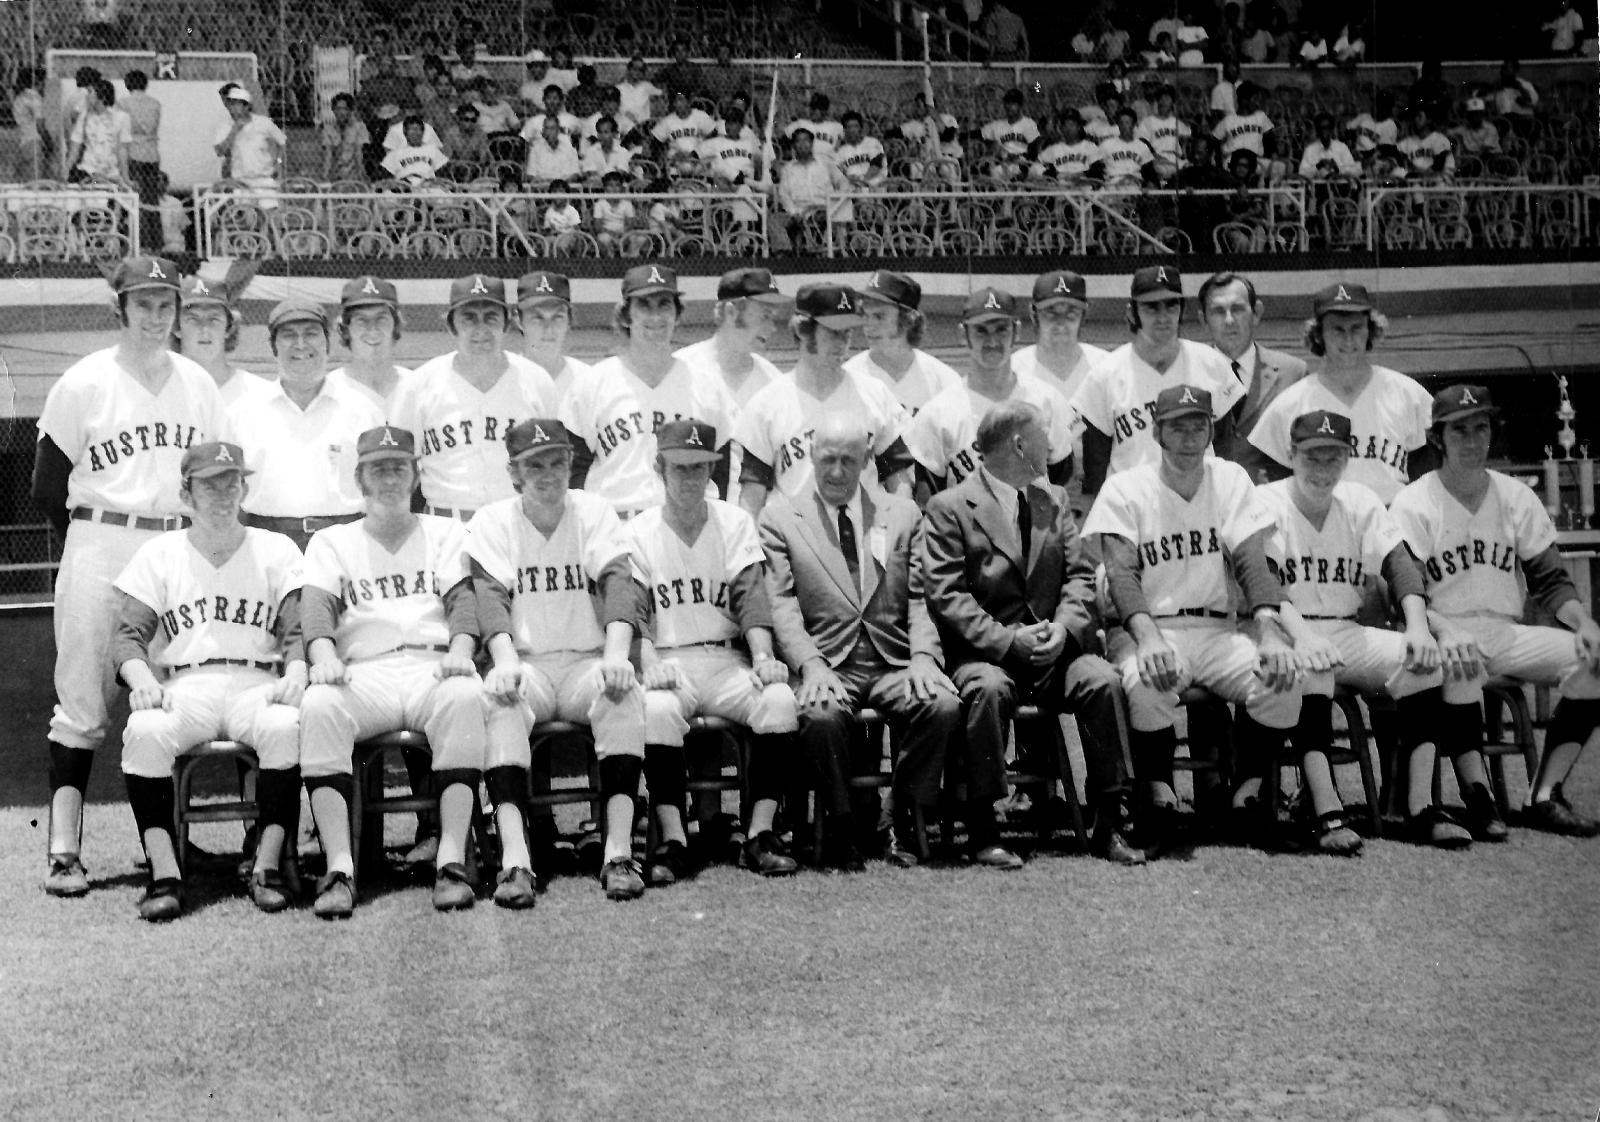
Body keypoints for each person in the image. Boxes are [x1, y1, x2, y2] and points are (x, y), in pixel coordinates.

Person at [32, 256, 225, 897]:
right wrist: (89, 547)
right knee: (82, 699)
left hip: (174, 547)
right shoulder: (83, 381)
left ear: (177, 312)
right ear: (120, 310)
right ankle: (64, 851)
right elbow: (44, 486)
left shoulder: (198, 384)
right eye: (141, 303)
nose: (153, 314)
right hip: (99, 536)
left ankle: (165, 844)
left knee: (172, 692)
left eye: (164, 304)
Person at [1083, 384, 1302, 855]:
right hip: (1151, 627)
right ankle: (1158, 799)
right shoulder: (1127, 487)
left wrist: (1268, 631)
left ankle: (1247, 794)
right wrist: (1146, 638)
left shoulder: (1230, 479)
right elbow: (1121, 574)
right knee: (1147, 681)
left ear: (1211, 431)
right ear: (1157, 432)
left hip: (1218, 629)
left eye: (1197, 425)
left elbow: (1251, 560)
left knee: (1283, 680)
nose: (1188, 436)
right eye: (1177, 426)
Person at [923, 400, 1143, 866]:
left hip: (1054, 650)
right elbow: (947, 597)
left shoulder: (1055, 499)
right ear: (1020, 444)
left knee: (1102, 681)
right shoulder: (949, 508)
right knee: (988, 689)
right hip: (988, 654)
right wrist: (1007, 640)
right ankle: (984, 828)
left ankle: (1109, 819)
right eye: (1046, 435)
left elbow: (1080, 578)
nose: (1054, 445)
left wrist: (1064, 629)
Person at [297, 425, 493, 916]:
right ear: (360, 478)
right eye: (377, 469)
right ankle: (340, 868)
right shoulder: (332, 541)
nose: (389, 478)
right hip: (367, 671)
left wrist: (462, 651)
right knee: (319, 704)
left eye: (399, 467)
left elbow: (463, 606)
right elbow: (317, 611)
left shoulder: (445, 532)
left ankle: (451, 862)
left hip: (431, 664)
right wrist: (323, 658)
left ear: (415, 475)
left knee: (466, 697)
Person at [1391, 385, 1600, 838]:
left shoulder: (1515, 496)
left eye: (1481, 428)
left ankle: (1546, 794)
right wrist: (1444, 630)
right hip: (1444, 629)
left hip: (1506, 631)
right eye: (1459, 430)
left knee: (1593, 663)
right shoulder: (1415, 501)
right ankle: (1478, 797)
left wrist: (1584, 624)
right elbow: (1405, 588)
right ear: (1438, 438)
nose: (1472, 440)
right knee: (1462, 661)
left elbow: (1549, 579)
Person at [111, 441, 305, 920]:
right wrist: (141, 679)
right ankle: (165, 874)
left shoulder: (276, 549)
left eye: (231, 482)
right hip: (186, 684)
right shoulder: (159, 553)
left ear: (245, 487)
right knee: (145, 732)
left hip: (255, 681)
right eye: (209, 484)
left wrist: (298, 668)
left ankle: (266, 865)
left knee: (285, 728)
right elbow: (126, 637)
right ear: (186, 492)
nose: (222, 493)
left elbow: (298, 628)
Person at [760, 413, 960, 868]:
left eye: (848, 460)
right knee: (820, 715)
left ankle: (898, 817)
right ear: (810, 455)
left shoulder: (903, 514)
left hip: (894, 663)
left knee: (943, 707)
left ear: (868, 460)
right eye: (827, 459)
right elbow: (782, 605)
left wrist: (926, 659)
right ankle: (842, 824)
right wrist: (810, 666)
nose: (836, 471)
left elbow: (920, 599)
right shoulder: (779, 519)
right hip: (829, 665)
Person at [469, 419, 651, 900]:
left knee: (623, 694)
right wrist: (503, 660)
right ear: (514, 472)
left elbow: (618, 583)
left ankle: (618, 852)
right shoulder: (493, 521)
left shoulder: (594, 511)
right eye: (534, 465)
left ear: (572, 463)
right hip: (527, 663)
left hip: (584, 662)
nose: (548, 473)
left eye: (557, 461)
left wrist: (617, 655)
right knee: (499, 701)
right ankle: (515, 861)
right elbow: (490, 599)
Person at [1257, 410, 1445, 852]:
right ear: (1291, 454)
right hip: (1289, 629)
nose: (1322, 469)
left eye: (1334, 458)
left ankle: (1418, 808)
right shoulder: (1267, 500)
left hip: (1345, 629)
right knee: (1312, 672)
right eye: (1312, 457)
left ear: (1348, 458)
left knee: (1420, 664)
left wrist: (1417, 626)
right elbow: (1264, 581)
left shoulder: (1359, 501)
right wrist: (1302, 638)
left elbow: (1400, 566)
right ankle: (1327, 810)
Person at [630, 419, 800, 882]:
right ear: (658, 467)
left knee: (779, 700)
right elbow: (635, 613)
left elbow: (751, 597)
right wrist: (649, 665)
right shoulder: (639, 530)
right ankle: (673, 839)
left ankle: (760, 834)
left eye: (700, 468)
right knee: (657, 708)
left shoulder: (733, 521)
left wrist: (763, 657)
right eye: (679, 468)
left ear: (712, 470)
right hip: (670, 660)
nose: (690, 479)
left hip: (726, 658)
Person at [390, 273, 560, 522]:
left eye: (490, 318)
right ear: (451, 325)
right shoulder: (419, 385)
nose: (481, 330)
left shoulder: (537, 381)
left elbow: (555, 463)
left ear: (507, 323)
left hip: (518, 523)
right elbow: (401, 467)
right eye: (469, 319)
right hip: (446, 524)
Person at [734, 284, 912, 515]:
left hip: (864, 539)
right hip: (795, 542)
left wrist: (898, 537)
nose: (842, 343)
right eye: (833, 332)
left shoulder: (875, 394)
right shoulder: (766, 405)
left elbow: (898, 478)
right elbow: (752, 497)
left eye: (847, 332)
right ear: (802, 330)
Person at [1247, 283, 1433, 505]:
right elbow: (1276, 485)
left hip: (1392, 520)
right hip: (1321, 523)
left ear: (1371, 330)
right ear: (1318, 334)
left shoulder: (1408, 394)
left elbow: (1428, 479)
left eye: (1356, 328)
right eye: (1337, 329)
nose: (1348, 339)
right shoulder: (1290, 403)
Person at [1072, 265, 1243, 506]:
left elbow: (1225, 448)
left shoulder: (1211, 363)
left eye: (1171, 305)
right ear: (1132, 313)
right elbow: (1095, 467)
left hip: (1201, 505)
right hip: (1131, 508)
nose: (1163, 316)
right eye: (1151, 307)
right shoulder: (1105, 375)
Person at [579, 265, 739, 516]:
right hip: (616, 526)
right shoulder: (594, 382)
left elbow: (721, 472)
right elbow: (574, 470)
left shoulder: (707, 386)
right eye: (644, 305)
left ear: (677, 314)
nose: (655, 316)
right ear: (625, 316)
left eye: (664, 304)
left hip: (688, 528)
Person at [229, 299, 383, 552]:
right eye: (289, 335)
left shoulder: (363, 411)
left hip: (344, 543)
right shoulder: (242, 413)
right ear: (273, 347)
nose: (301, 345)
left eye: (311, 334)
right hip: (265, 543)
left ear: (327, 343)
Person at [907, 288, 1075, 494]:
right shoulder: (937, 413)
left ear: (1017, 331)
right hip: (966, 525)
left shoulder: (1048, 401)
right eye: (981, 330)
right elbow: (929, 502)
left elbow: (1064, 482)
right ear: (963, 334)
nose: (992, 341)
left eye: (1001, 329)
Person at [1200, 271, 1307, 481]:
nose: (1229, 320)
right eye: (1218, 311)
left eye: (1238, 309)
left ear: (1256, 313)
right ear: (1203, 320)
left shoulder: (1293, 373)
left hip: (1274, 503)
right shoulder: (1191, 372)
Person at [843, 271, 961, 415]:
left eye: (879, 316)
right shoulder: (848, 379)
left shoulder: (944, 382)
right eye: (865, 315)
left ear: (908, 319)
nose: (868, 325)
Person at [177, 275, 265, 409]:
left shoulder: (258, 394)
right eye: (193, 320)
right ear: (176, 328)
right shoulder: (158, 392)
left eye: (214, 319)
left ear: (229, 327)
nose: (205, 329)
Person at [328, 275, 411, 414]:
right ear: (345, 329)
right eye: (361, 320)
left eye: (381, 319)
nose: (372, 329)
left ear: (396, 325)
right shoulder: (328, 393)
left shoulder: (418, 388)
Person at [213, 84, 284, 199]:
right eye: (230, 103)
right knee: (245, 212)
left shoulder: (264, 122)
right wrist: (234, 131)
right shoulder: (225, 126)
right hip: (240, 181)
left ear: (246, 106)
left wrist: (278, 162)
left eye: (237, 104)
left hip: (263, 178)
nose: (232, 107)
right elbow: (219, 151)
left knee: (269, 212)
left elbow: (282, 141)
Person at [120, 70, 162, 249]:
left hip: (133, 153)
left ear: (128, 84)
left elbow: (123, 129)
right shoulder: (155, 104)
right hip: (152, 154)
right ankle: (155, 242)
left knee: (136, 200)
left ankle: (140, 242)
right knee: (152, 199)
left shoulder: (123, 103)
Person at [65, 77, 131, 188]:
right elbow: (75, 148)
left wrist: (126, 177)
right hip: (87, 171)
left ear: (101, 96)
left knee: (110, 194)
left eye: (90, 92)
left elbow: (122, 149)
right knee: (90, 190)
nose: (87, 96)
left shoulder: (122, 118)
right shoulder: (84, 117)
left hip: (111, 173)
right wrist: (66, 169)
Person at [980, 89, 1041, 180]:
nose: (1009, 107)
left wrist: (1021, 160)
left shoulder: (1029, 124)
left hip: (1023, 163)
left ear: (1020, 106)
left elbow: (1033, 151)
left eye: (1013, 104)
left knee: (1037, 170)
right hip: (1004, 164)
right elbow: (978, 134)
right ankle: (1001, 194)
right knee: (995, 171)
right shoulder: (997, 125)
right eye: (1007, 103)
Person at [381, 114, 449, 185]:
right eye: (411, 130)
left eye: (418, 129)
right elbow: (385, 175)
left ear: (423, 132)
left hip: (427, 184)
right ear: (405, 133)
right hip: (404, 185)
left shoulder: (432, 150)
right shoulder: (395, 153)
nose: (415, 133)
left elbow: (444, 171)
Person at [1034, 110, 1100, 182]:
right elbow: (1035, 167)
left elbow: (1097, 172)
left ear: (1079, 127)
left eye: (1072, 124)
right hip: (1060, 189)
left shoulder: (1090, 147)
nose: (1069, 128)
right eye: (1065, 125)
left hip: (1084, 189)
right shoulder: (1054, 149)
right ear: (1061, 128)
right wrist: (1050, 174)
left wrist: (1081, 175)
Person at [322, 92, 371, 182]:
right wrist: (325, 177)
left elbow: (358, 153)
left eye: (344, 109)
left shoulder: (359, 127)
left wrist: (361, 177)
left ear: (350, 110)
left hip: (354, 175)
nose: (341, 112)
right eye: (338, 109)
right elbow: (328, 156)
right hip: (336, 175)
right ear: (333, 110)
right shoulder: (328, 130)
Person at [1398, 107, 1456, 181]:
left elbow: (1438, 166)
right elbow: (1397, 158)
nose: (1416, 120)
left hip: (1440, 182)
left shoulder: (1440, 139)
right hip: (1418, 184)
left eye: (1419, 116)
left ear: (1428, 120)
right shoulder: (1406, 142)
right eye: (1415, 117)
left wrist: (1418, 174)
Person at [833, 112, 886, 190]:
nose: (852, 130)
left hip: (874, 187)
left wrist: (862, 179)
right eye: (849, 127)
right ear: (844, 130)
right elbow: (839, 174)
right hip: (852, 190)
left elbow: (876, 166)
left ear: (861, 128)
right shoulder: (840, 151)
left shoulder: (873, 142)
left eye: (855, 126)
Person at [1298, 112, 1360, 179]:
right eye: (1321, 128)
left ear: (1331, 129)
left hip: (1341, 186)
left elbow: (1354, 170)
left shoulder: (1342, 147)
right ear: (1317, 130)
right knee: (1322, 172)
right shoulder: (1310, 149)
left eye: (1327, 127)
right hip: (1318, 187)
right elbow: (1302, 174)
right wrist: (1318, 166)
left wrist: (1337, 168)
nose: (1324, 131)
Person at [524, 114, 581, 183]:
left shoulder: (570, 150)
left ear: (558, 130)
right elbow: (531, 175)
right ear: (543, 132)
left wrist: (560, 185)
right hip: (542, 189)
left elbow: (575, 174)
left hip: (564, 189)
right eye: (547, 128)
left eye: (552, 128)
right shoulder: (535, 150)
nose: (549, 132)